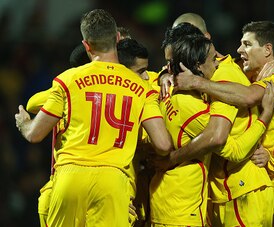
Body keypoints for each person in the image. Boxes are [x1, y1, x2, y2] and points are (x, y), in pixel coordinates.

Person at [15, 9, 173, 226]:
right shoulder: (141, 87)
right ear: (117, 39)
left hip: (69, 177)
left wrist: (24, 123)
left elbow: (35, 135)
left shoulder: (68, 80)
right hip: (112, 180)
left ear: (86, 45)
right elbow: (163, 144)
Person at [173, 21, 274, 227]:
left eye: (247, 44)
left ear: (267, 50)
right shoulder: (250, 73)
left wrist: (196, 82)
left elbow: (248, 97)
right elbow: (221, 61)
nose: (239, 50)